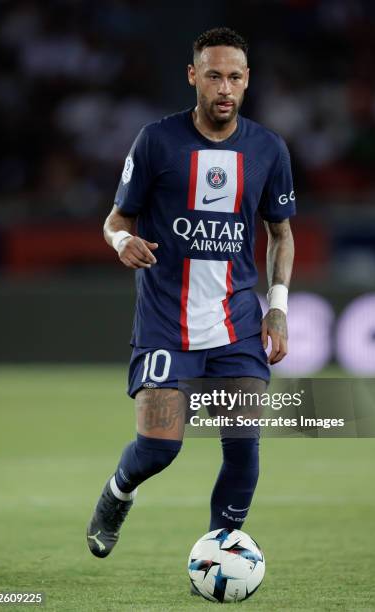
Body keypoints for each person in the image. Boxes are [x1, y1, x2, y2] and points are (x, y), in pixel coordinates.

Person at [86, 27, 295, 561]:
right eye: (213, 75)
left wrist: (277, 307)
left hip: (238, 324)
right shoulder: (157, 140)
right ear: (193, 77)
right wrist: (122, 241)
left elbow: (281, 233)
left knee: (244, 450)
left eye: (234, 77)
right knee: (159, 448)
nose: (224, 87)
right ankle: (117, 494)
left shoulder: (268, 149)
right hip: (166, 323)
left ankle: (219, 554)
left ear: (247, 81)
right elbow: (115, 219)